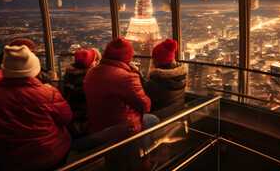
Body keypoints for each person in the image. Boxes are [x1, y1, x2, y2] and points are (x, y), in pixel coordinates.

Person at [0, 45, 73, 171]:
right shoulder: (49, 94)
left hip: (7, 161)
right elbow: (66, 118)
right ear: (33, 69)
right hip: (52, 155)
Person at [84, 37, 158, 170]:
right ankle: (145, 159)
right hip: (122, 131)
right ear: (128, 57)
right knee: (153, 120)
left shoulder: (91, 73)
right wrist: (137, 75)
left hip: (97, 128)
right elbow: (145, 106)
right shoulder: (127, 77)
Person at [63, 48, 101, 139]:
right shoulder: (91, 78)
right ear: (91, 64)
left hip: (72, 121)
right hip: (87, 120)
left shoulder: (68, 75)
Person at [144, 39, 187, 117]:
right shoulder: (181, 76)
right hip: (175, 117)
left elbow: (142, 103)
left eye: (154, 58)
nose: (152, 61)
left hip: (158, 121)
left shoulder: (155, 83)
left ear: (159, 60)